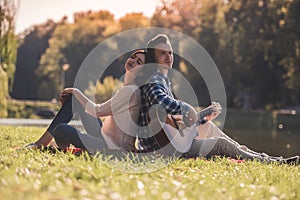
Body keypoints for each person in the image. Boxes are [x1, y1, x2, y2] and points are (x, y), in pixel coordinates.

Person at [136, 34, 299, 165]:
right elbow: (159, 100)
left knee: (209, 126)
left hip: (170, 142)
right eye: (162, 53)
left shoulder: (162, 81)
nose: (168, 56)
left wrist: (203, 116)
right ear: (153, 57)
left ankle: (261, 157)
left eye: (170, 52)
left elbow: (176, 126)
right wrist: (187, 108)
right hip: (163, 150)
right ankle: (273, 162)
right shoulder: (154, 80)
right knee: (222, 144)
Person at [25, 50, 146, 154]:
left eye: (139, 62)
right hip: (104, 136)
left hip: (110, 147)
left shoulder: (130, 91)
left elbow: (97, 111)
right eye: (133, 57)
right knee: (74, 101)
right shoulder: (129, 88)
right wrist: (74, 99)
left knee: (61, 129)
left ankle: (57, 146)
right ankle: (43, 143)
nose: (133, 61)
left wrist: (76, 91)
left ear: (142, 72)